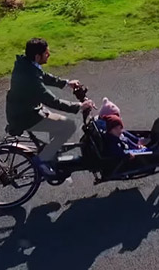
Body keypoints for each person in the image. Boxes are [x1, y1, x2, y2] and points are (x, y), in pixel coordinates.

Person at [5, 37, 94, 177]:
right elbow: (52, 101)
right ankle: (43, 161)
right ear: (37, 56)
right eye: (46, 53)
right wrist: (79, 107)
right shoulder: (31, 78)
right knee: (68, 126)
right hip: (26, 116)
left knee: (59, 124)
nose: (49, 55)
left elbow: (43, 76)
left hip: (23, 110)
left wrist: (66, 83)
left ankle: (52, 156)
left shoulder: (26, 64)